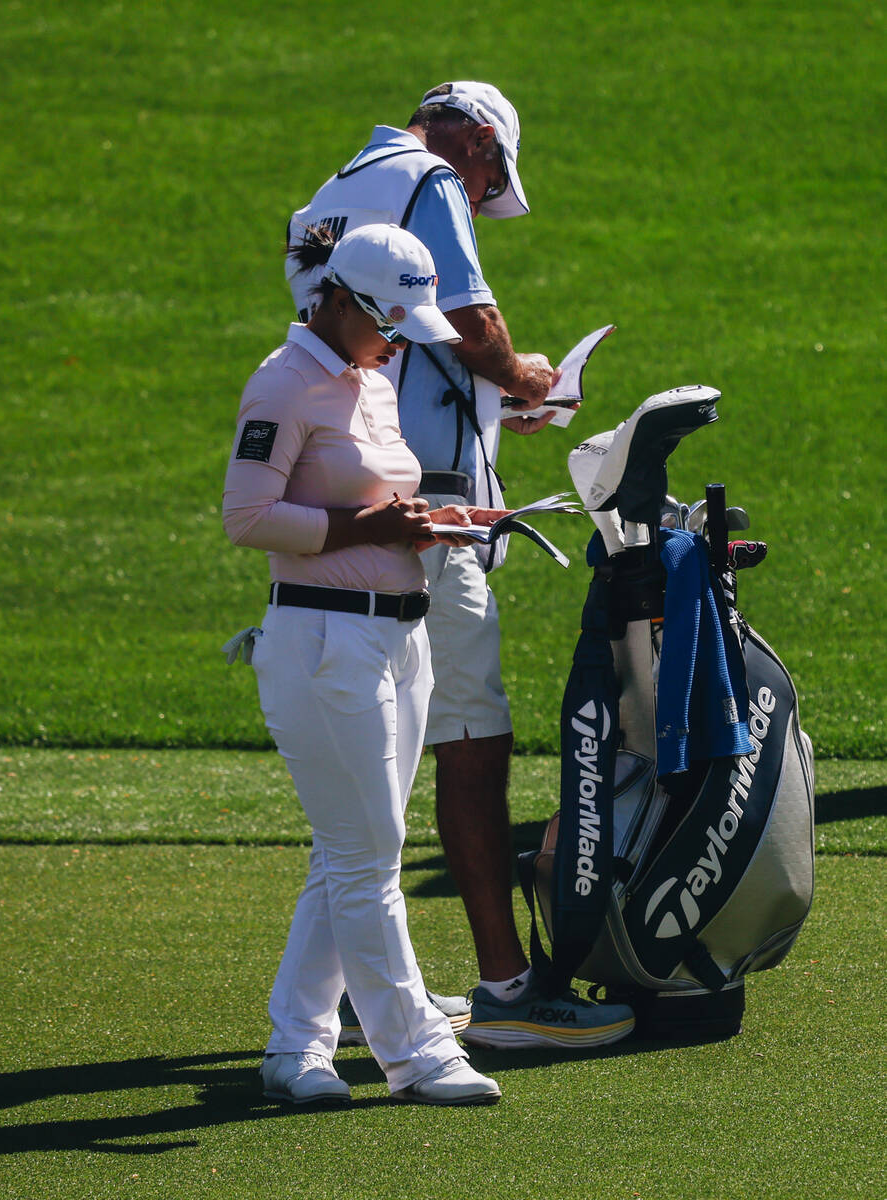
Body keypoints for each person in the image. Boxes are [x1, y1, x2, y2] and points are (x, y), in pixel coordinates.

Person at [285, 82, 635, 1049]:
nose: (483, 199)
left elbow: (386, 350)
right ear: (475, 142)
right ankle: (508, 991)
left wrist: (495, 405)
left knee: (378, 764)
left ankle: (369, 989)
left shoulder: (329, 192)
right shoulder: (429, 176)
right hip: (425, 513)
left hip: (357, 500)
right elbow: (476, 331)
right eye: (492, 180)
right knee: (471, 743)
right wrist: (530, 381)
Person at [222, 223, 502, 1105]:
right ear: (338, 298)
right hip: (320, 640)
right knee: (367, 855)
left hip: (397, 636)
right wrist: (367, 530)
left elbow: (384, 497)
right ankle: (417, 1054)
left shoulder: (372, 379)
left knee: (349, 854)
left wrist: (434, 522)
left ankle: (295, 1048)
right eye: (388, 320)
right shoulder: (281, 383)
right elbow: (247, 517)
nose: (396, 339)